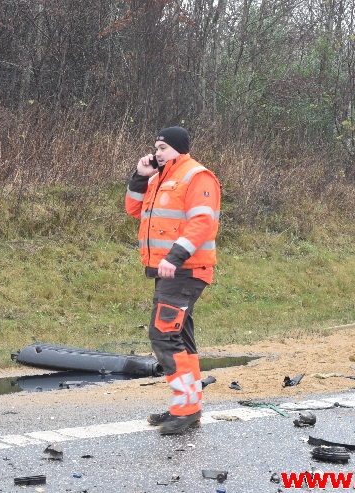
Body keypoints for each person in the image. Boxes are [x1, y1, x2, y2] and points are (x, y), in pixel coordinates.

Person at [125, 126, 221, 435]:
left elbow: (202, 223)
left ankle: (186, 409)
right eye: (156, 147)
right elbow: (134, 209)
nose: (156, 153)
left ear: (178, 149)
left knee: (164, 334)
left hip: (185, 270)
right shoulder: (159, 177)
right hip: (169, 270)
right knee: (179, 336)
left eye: (162, 147)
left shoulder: (197, 176)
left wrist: (174, 257)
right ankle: (186, 408)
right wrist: (140, 176)